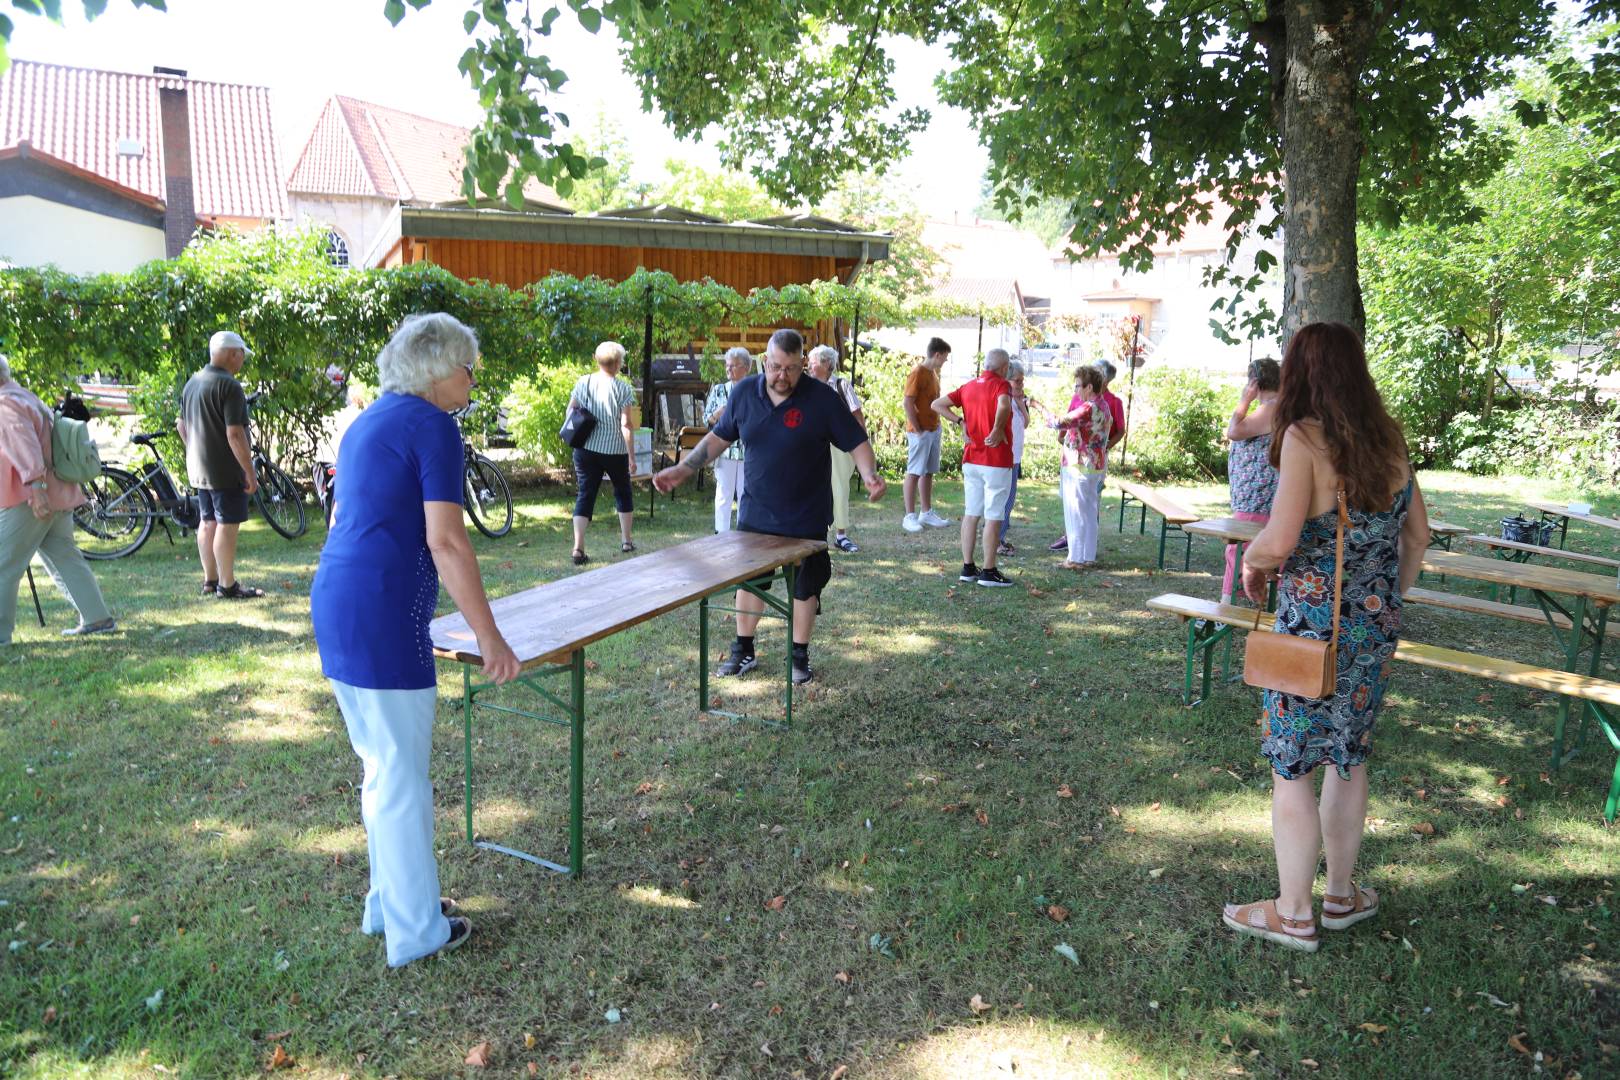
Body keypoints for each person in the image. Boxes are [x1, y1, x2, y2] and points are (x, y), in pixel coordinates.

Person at [310, 313, 521, 967]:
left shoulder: (369, 419)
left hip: (339, 602)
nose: (472, 380)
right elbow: (448, 540)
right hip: (382, 615)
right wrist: (491, 638)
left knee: (384, 772)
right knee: (400, 780)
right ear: (437, 370)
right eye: (468, 368)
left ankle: (392, 905)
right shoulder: (434, 426)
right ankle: (417, 932)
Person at [1228, 321, 1429, 953]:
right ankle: (1341, 897)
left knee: (1293, 768)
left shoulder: (1301, 437)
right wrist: (1386, 596)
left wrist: (1256, 564)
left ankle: (1293, 913)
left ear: (1302, 373)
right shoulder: (1391, 441)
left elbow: (1282, 537)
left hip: (1309, 634)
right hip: (1372, 631)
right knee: (1350, 756)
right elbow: (1417, 537)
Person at [653, 328, 885, 685]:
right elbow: (718, 438)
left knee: (805, 585)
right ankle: (743, 649)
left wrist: (870, 474)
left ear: (803, 365)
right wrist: (685, 468)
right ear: (765, 361)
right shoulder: (746, 392)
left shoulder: (821, 398)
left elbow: (856, 440)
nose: (783, 376)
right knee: (751, 582)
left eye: (792, 369)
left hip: (806, 514)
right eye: (776, 367)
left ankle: (799, 656)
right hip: (757, 512)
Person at [0, 356, 115, 643]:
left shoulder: (5, 403)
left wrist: (35, 488)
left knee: (3, 564)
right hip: (58, 490)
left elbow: (24, 447)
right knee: (65, 556)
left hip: (30, 497)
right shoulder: (24, 396)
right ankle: (97, 617)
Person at [177, 330, 262, 599]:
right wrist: (249, 471)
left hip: (199, 468)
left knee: (207, 521)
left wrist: (194, 449)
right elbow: (235, 434)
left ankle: (210, 580)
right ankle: (227, 585)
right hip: (225, 469)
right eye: (241, 356)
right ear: (232, 353)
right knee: (226, 523)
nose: (242, 361)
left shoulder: (193, 382)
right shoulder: (230, 386)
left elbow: (181, 424)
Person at [931, 347, 1014, 587]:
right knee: (994, 515)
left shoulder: (968, 386)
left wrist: (960, 420)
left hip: (972, 458)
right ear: (1004, 367)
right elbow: (1004, 405)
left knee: (971, 513)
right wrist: (998, 429)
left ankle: (968, 567)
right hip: (996, 460)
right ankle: (989, 571)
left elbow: (937, 404)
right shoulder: (1001, 385)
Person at [568, 341, 640, 565]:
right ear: (618, 363)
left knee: (585, 494)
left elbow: (570, 409)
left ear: (596, 360)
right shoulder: (623, 389)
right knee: (622, 492)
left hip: (585, 448)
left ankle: (578, 548)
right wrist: (632, 457)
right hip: (614, 451)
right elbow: (626, 425)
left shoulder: (584, 382)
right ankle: (626, 541)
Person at [1223, 357, 1282, 602]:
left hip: (1257, 498)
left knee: (1238, 550)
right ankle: (1253, 600)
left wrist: (1244, 400)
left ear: (1255, 382)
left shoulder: (1270, 407)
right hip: (1258, 496)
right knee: (1247, 549)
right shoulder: (1278, 406)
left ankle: (1227, 607)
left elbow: (1234, 431)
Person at [1052, 365, 1112, 570]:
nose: (1076, 390)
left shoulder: (1089, 408)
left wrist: (1036, 406)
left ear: (1089, 387)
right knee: (1088, 512)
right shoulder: (1103, 405)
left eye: (1078, 386)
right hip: (1094, 465)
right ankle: (1088, 556)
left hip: (1079, 465)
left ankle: (1075, 558)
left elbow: (1060, 422)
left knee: (1075, 511)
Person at [808, 344, 866, 553]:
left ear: (826, 364)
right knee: (814, 488)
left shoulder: (842, 385)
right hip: (814, 446)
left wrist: (862, 444)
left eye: (813, 363)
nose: (809, 367)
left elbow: (857, 414)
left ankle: (841, 535)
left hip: (839, 446)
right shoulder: (807, 387)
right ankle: (816, 533)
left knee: (839, 488)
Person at [901, 338, 952, 533]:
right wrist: (919, 429)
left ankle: (926, 512)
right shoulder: (917, 373)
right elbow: (907, 403)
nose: (945, 361)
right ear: (937, 354)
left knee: (928, 471)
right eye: (945, 357)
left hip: (933, 429)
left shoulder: (932, 373)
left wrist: (934, 427)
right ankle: (909, 516)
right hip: (920, 432)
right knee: (914, 472)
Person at [703, 348, 753, 533]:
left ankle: (742, 532)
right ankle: (720, 533)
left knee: (745, 495)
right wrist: (716, 414)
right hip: (724, 451)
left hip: (749, 451)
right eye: (727, 365)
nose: (728, 369)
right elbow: (706, 418)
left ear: (746, 368)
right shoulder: (719, 390)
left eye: (733, 365)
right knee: (723, 493)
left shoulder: (754, 390)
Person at [996, 361, 1030, 556]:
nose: (1021, 384)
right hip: (1005, 458)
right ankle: (997, 540)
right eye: (1017, 381)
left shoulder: (1015, 401)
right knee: (1004, 501)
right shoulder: (1002, 401)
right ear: (1006, 380)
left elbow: (1025, 422)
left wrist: (1020, 401)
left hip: (1015, 458)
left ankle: (1000, 537)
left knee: (1010, 500)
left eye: (1022, 381)